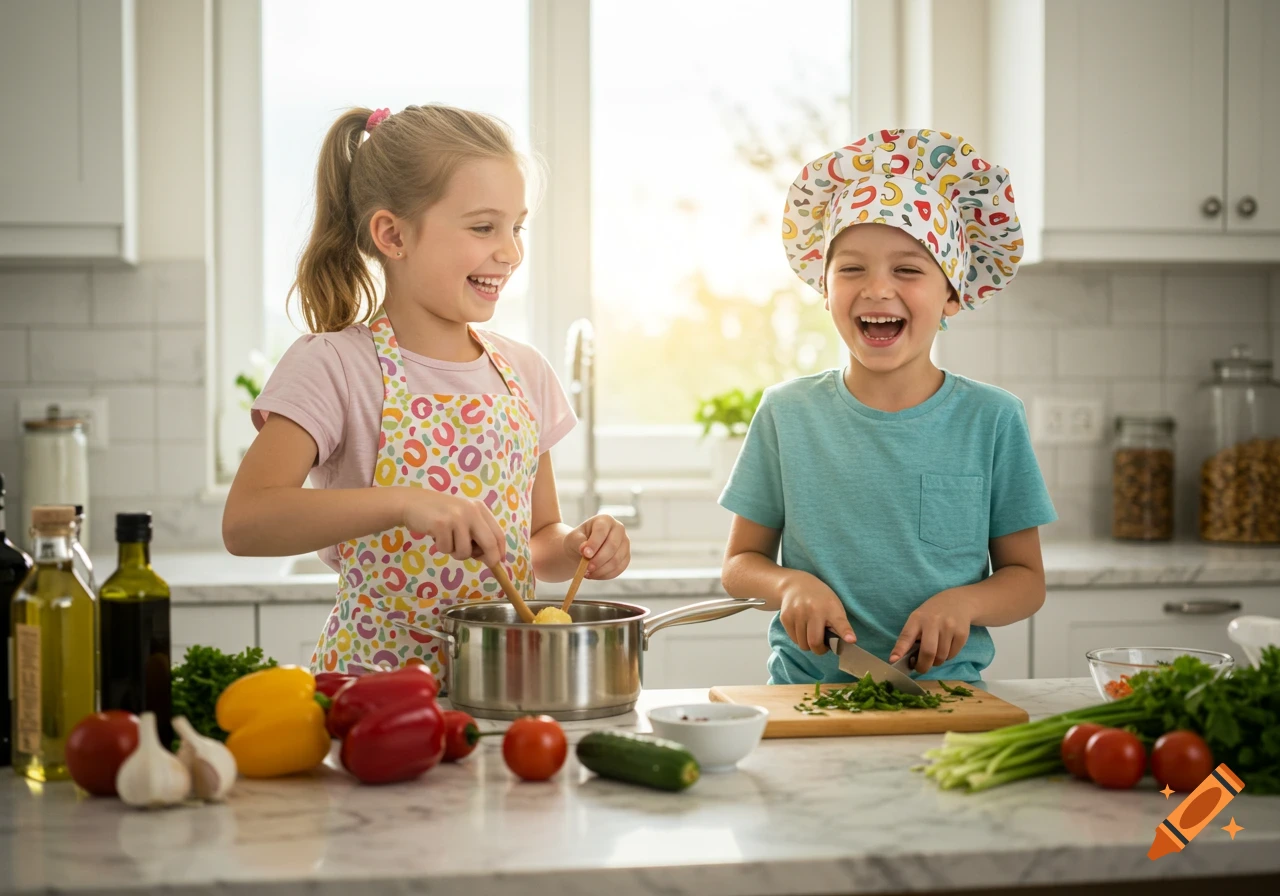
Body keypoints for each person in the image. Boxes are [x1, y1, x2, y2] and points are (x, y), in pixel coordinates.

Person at [223, 105, 631, 676]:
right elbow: (246, 523)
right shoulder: (335, 366)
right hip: (370, 693)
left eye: (517, 227)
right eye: (483, 227)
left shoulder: (524, 372)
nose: (511, 251)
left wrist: (575, 547)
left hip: (500, 688)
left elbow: (535, 537)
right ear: (392, 234)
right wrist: (405, 502)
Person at [720, 128, 1055, 684]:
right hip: (807, 697)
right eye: (851, 269)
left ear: (952, 293)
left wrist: (965, 604)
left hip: (948, 698)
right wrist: (789, 584)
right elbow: (738, 566)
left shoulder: (992, 419)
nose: (877, 289)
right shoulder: (787, 413)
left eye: (907, 269)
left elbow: (1026, 579)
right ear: (824, 289)